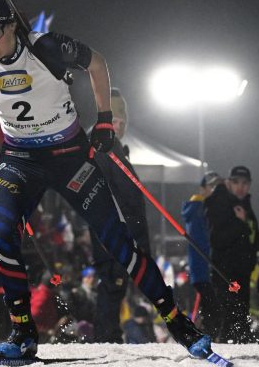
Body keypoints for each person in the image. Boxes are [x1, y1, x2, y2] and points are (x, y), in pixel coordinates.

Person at [0, 0, 211, 360]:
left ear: (12, 25)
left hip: (68, 157)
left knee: (119, 244)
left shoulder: (45, 47)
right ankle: (22, 332)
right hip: (20, 158)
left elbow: (97, 63)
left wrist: (105, 119)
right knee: (1, 236)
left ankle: (179, 322)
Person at [91, 88, 152, 343]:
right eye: (122, 122)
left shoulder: (109, 147)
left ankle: (109, 334)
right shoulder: (107, 149)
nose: (124, 127)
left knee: (114, 284)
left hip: (111, 228)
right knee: (113, 283)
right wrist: (140, 240)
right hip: (115, 230)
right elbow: (128, 197)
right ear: (115, 122)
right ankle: (107, 337)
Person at [204, 165, 259, 343]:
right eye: (236, 182)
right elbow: (217, 239)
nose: (241, 187)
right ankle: (225, 352)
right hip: (226, 272)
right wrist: (240, 223)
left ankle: (241, 352)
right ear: (228, 182)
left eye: (245, 183)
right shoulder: (219, 202)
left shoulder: (244, 203)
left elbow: (250, 235)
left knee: (241, 316)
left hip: (243, 270)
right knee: (230, 316)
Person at [181, 171, 220, 331]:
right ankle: (207, 339)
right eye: (212, 186)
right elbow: (204, 241)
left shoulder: (205, 207)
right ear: (203, 188)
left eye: (218, 187)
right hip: (204, 269)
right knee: (213, 313)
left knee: (211, 311)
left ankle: (208, 335)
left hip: (205, 269)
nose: (215, 191)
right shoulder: (199, 208)